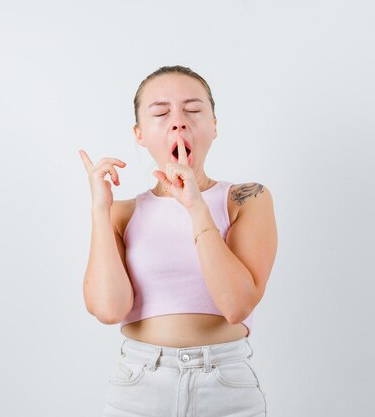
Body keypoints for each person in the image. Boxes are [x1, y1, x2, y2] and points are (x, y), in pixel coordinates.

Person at [78, 65, 277, 417]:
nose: (178, 121)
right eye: (160, 112)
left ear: (214, 126)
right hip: (138, 386)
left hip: (226, 387)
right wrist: (99, 209)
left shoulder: (247, 198)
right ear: (139, 134)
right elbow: (109, 309)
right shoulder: (121, 213)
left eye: (193, 110)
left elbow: (237, 305)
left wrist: (196, 207)